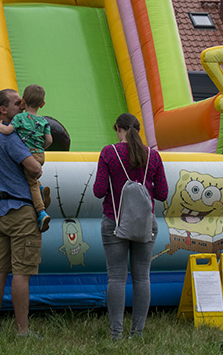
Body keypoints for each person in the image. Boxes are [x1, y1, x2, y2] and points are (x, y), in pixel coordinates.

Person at [93, 113, 167, 340]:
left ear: (118, 128)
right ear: (138, 129)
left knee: (116, 278)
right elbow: (162, 194)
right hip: (145, 224)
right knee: (142, 277)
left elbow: (98, 191)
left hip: (114, 222)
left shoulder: (109, 153)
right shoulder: (153, 156)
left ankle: (116, 333)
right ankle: (138, 333)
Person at [0, 89, 44, 337]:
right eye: (17, 103)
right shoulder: (11, 138)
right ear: (3, 110)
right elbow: (35, 168)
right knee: (22, 272)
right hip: (20, 210)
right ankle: (22, 331)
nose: (22, 106)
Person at [0, 84, 52, 232]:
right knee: (33, 179)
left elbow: (6, 131)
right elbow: (50, 140)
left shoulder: (20, 118)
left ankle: (41, 212)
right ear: (43, 104)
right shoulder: (44, 121)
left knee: (30, 182)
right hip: (40, 154)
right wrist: (40, 149)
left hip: (29, 154)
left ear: (24, 101)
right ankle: (41, 188)